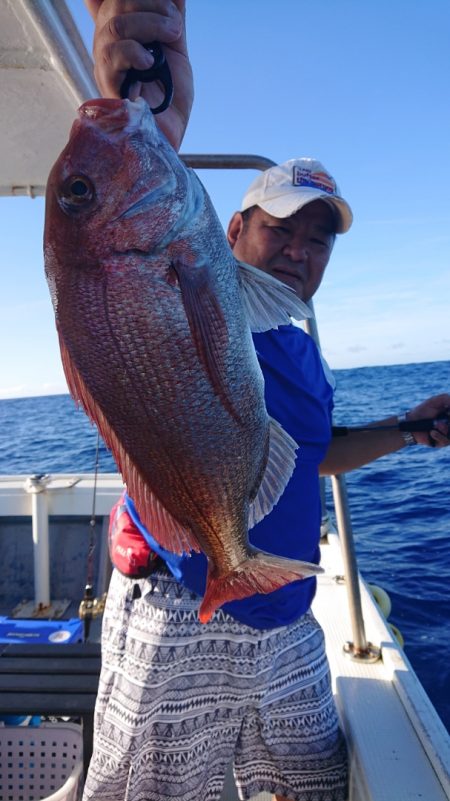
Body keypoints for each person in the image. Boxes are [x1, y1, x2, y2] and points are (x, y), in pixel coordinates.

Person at [82, 4, 450, 801]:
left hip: (282, 600)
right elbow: (132, 261)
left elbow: (314, 453)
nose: (300, 250)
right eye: (282, 227)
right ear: (235, 226)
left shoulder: (299, 339)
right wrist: (143, 122)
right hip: (184, 605)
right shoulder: (204, 300)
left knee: (310, 785)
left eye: (319, 239)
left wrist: (407, 427)